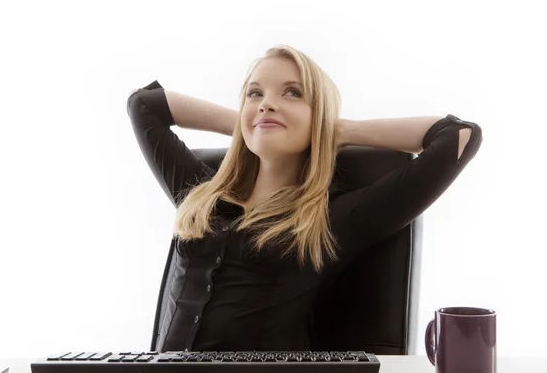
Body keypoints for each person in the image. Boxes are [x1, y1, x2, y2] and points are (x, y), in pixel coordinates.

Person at [126, 44, 483, 353]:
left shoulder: (332, 218)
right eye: (255, 93)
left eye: (293, 93)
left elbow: (460, 136)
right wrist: (249, 124)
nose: (267, 104)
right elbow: (144, 105)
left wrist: (338, 130)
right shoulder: (201, 192)